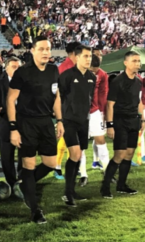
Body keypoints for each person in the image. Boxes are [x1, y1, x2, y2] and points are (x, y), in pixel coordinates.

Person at [7, 36, 62, 224]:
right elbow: (10, 100)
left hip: (46, 122)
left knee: (50, 163)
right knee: (29, 166)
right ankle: (35, 210)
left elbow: (57, 97)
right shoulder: (22, 72)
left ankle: (24, 185)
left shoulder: (54, 70)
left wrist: (60, 120)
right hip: (26, 123)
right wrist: (14, 128)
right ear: (32, 50)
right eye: (41, 49)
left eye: (48, 49)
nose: (46, 52)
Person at [101, 51, 144, 199]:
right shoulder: (117, 81)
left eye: (138, 61)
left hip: (134, 121)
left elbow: (139, 102)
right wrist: (110, 125)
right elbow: (109, 105)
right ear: (125, 63)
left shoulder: (139, 82)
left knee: (129, 154)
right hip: (120, 121)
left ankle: (121, 185)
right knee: (119, 155)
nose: (137, 64)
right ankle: (105, 187)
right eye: (134, 61)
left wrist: (142, 119)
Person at [57, 45, 95, 207]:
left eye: (90, 56)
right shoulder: (66, 76)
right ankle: (67, 193)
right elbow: (59, 97)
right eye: (85, 56)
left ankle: (71, 191)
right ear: (77, 57)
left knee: (78, 156)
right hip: (69, 121)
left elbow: (89, 98)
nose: (88, 59)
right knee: (74, 153)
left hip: (83, 121)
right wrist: (59, 119)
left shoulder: (92, 77)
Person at [0, 56, 22, 192]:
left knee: (24, 156)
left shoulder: (26, 84)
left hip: (23, 126)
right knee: (7, 159)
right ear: (6, 68)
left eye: (18, 67)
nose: (17, 70)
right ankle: (12, 184)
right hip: (6, 126)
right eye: (14, 67)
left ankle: (22, 182)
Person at [53, 42, 80, 180]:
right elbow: (59, 92)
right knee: (66, 139)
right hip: (67, 110)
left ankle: (72, 165)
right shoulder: (65, 69)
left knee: (74, 140)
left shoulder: (74, 67)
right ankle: (57, 166)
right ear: (75, 53)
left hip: (77, 110)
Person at [86, 48, 109, 175]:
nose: (93, 74)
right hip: (78, 112)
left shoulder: (103, 74)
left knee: (100, 138)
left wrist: (102, 112)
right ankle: (82, 172)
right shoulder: (74, 73)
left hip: (95, 111)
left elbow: (103, 93)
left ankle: (107, 169)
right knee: (79, 144)